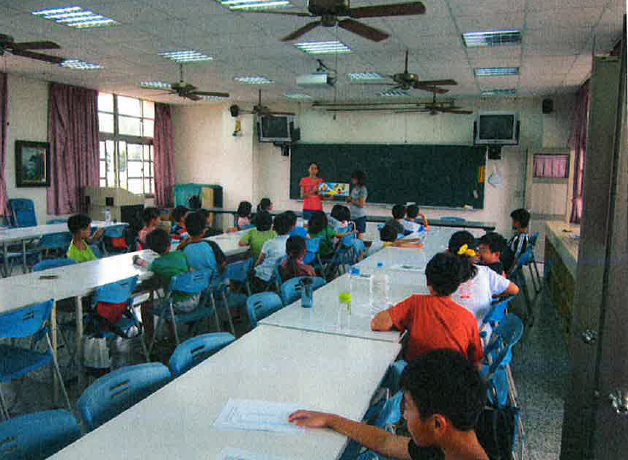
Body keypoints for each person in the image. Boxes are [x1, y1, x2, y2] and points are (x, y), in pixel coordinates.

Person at [289, 349, 489, 460]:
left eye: (408, 407)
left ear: (437, 423)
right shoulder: (448, 444)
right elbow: (387, 442)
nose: (404, 415)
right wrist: (329, 420)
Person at [371, 252, 483, 364]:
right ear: (458, 284)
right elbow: (477, 363)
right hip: (454, 374)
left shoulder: (415, 303)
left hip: (416, 373)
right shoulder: (468, 319)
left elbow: (377, 323)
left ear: (428, 281)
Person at [448, 231, 519, 335]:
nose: (479, 254)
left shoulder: (487, 271)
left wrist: (495, 295)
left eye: (483, 250)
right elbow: (514, 289)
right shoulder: (487, 270)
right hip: (483, 330)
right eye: (478, 250)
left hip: (464, 333)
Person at [133, 228, 199, 313]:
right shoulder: (180, 255)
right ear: (170, 243)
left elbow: (146, 265)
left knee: (145, 306)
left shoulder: (157, 263)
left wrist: (138, 260)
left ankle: (162, 321)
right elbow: (191, 270)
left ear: (152, 249)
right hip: (195, 298)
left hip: (178, 303)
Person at [251, 213, 291, 292]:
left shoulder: (269, 243)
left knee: (250, 271)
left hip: (266, 275)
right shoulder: (291, 241)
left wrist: (254, 268)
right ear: (290, 228)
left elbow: (259, 261)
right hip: (282, 273)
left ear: (273, 228)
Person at [502, 208, 530, 276]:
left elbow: (516, 258)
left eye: (513, 221)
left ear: (518, 223)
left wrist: (509, 273)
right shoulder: (518, 235)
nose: (512, 223)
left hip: (505, 266)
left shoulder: (522, 238)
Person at [346, 170, 368, 239]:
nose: (352, 180)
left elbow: (362, 204)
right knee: (350, 235)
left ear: (359, 179)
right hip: (352, 216)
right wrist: (348, 199)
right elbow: (349, 200)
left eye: (354, 178)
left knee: (359, 236)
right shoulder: (354, 188)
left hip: (360, 217)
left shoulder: (363, 189)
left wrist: (352, 200)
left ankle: (359, 246)